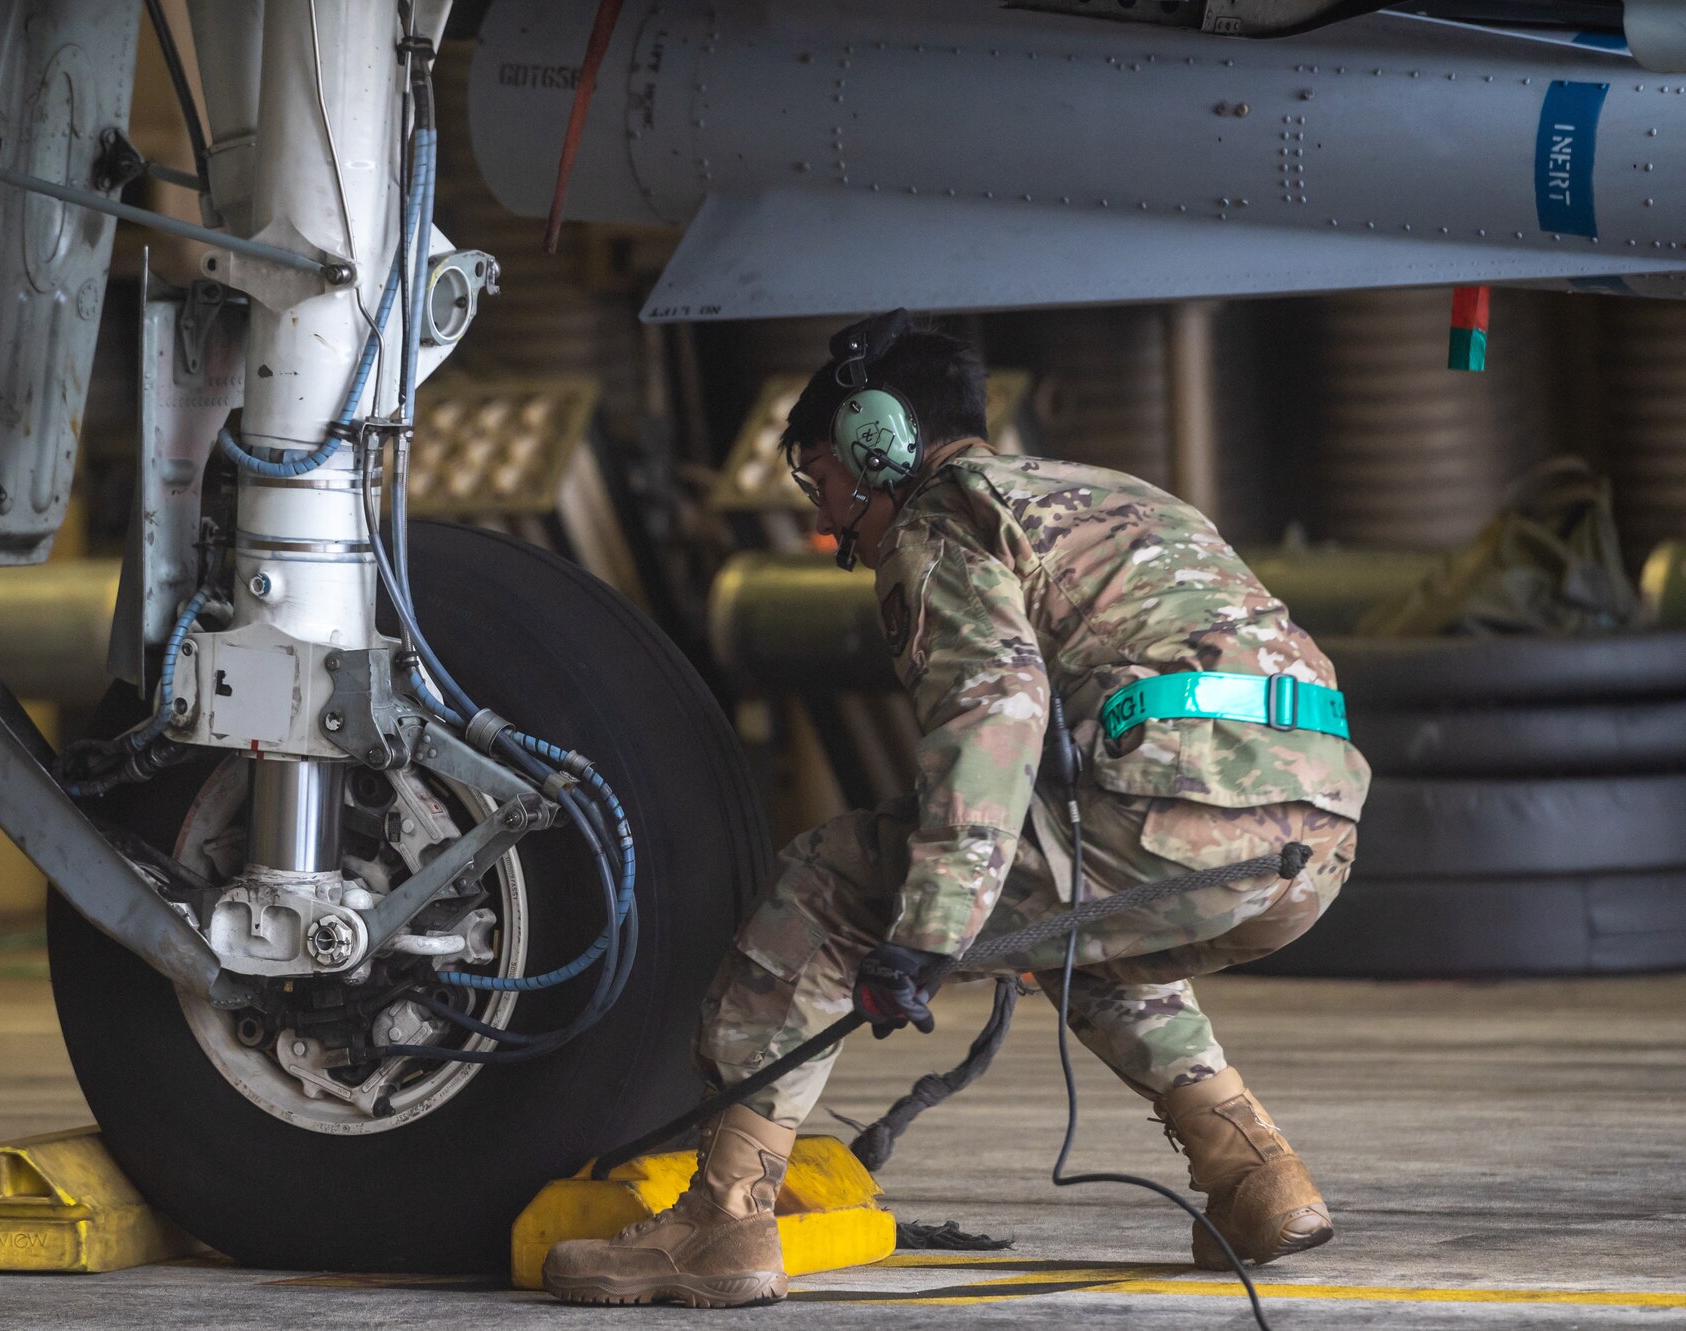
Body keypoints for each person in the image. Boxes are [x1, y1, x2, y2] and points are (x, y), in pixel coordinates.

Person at [543, 312, 1371, 1308]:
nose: (830, 520)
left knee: (825, 881)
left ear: (875, 440)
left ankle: (720, 1219)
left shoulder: (942, 519)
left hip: (1168, 809)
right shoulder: (1103, 493)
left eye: (826, 480)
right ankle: (1255, 1177)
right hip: (1311, 837)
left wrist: (927, 933)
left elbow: (992, 721)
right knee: (1079, 939)